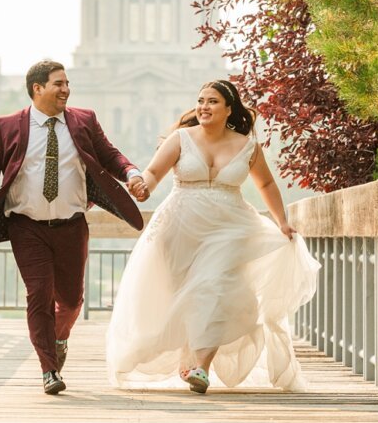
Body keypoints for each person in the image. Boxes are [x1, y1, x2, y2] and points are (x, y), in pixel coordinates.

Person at [106, 79, 321, 394]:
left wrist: (281, 222)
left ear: (229, 109)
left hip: (229, 227)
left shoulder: (247, 146)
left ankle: (202, 369)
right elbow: (153, 173)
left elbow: (266, 185)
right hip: (180, 225)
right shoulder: (181, 139)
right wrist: (143, 186)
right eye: (201, 100)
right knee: (187, 293)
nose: (204, 107)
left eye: (213, 101)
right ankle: (190, 352)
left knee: (215, 288)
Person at [0, 59, 149, 395]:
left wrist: (132, 174)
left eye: (67, 83)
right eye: (58, 84)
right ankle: (48, 369)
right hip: (26, 225)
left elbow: (110, 156)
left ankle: (60, 338)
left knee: (71, 300)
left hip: (71, 225)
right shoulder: (7, 126)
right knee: (38, 295)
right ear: (37, 88)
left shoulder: (83, 121)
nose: (66, 89)